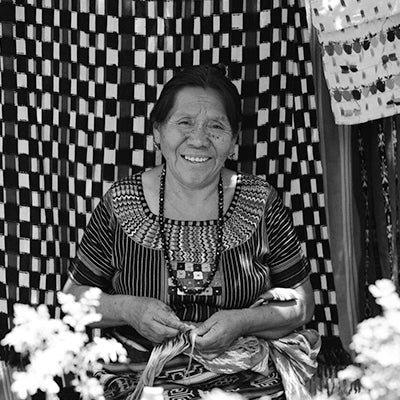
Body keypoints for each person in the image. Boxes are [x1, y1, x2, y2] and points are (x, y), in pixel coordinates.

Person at [62, 64, 317, 400]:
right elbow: (74, 298)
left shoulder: (260, 200)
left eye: (216, 126)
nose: (198, 139)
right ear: (157, 131)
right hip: (139, 375)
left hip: (242, 375)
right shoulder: (121, 201)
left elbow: (302, 304)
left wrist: (242, 321)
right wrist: (129, 309)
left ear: (234, 140)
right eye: (184, 122)